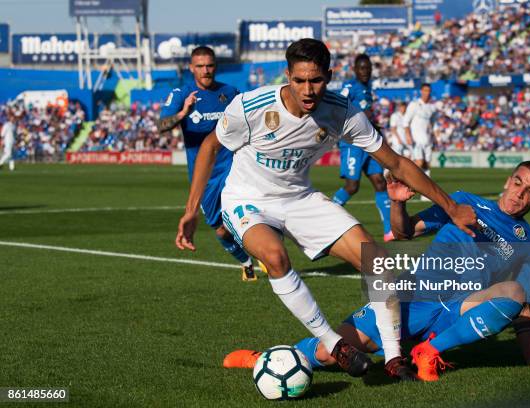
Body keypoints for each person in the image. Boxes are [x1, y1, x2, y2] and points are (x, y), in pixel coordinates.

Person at [175, 39, 476, 381]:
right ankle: (334, 344)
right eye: (299, 80)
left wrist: (451, 207)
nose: (308, 90)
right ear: (287, 75)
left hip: (300, 198)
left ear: (329, 76)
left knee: (376, 259)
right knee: (274, 257)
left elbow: (395, 162)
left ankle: (394, 357)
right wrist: (191, 210)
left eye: (316, 80)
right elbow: (210, 147)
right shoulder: (251, 106)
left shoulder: (342, 112)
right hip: (247, 198)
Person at [224, 161, 530, 382]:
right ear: (507, 180)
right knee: (331, 352)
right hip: (413, 297)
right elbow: (406, 231)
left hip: (458, 309)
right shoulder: (464, 204)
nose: (519, 194)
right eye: (517, 183)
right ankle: (265, 360)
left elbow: (524, 308)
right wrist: (398, 204)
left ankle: (429, 352)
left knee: (514, 292)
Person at [158, 46, 257, 281]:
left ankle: (265, 250)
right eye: (200, 66)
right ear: (192, 68)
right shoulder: (181, 93)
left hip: (234, 166)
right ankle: (247, 261)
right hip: (204, 176)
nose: (206, 70)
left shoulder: (230, 92)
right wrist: (183, 113)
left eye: (210, 65)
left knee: (251, 215)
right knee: (221, 229)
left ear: (216, 66)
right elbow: (161, 125)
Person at [331, 54, 395, 242]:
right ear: (355, 70)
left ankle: (389, 232)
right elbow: (338, 107)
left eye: (368, 68)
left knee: (380, 182)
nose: (365, 71)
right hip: (352, 143)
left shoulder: (368, 88)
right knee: (352, 186)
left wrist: (371, 124)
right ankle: (324, 220)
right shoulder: (350, 87)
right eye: (361, 68)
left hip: (368, 142)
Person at [404, 83, 437, 200]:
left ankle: (425, 194)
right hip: (417, 140)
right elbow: (406, 122)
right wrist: (408, 136)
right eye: (425, 90)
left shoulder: (432, 108)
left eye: (428, 90)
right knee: (419, 163)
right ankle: (406, 184)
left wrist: (435, 138)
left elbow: (433, 124)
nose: (427, 93)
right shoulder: (414, 105)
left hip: (427, 140)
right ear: (421, 91)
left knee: (427, 165)